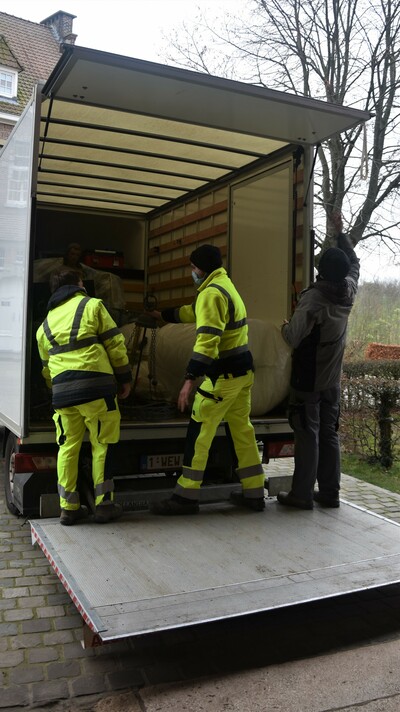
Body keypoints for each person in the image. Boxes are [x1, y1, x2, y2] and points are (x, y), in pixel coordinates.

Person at [148, 244, 265, 515]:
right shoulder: (224, 285)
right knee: (243, 431)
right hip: (242, 373)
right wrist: (163, 315)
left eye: (192, 267)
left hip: (223, 375)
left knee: (200, 432)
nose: (191, 272)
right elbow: (192, 312)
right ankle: (254, 492)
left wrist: (189, 379)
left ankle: (185, 497)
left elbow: (208, 340)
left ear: (200, 268)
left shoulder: (211, 294)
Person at [36, 268, 133, 525]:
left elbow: (47, 369)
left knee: (68, 447)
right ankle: (104, 505)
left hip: (63, 396)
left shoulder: (44, 326)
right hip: (97, 390)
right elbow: (115, 344)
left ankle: (68, 508)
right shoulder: (93, 306)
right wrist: (125, 378)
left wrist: (55, 390)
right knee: (102, 444)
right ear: (78, 284)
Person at [277, 214, 360, 510]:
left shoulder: (313, 300)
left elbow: (292, 337)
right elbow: (354, 263)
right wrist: (340, 233)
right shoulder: (348, 290)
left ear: (321, 272)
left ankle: (301, 494)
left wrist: (284, 325)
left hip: (308, 379)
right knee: (328, 433)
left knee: (307, 434)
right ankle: (329, 493)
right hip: (332, 379)